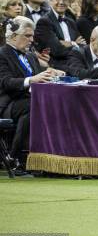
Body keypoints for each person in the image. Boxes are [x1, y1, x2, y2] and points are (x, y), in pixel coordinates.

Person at [0, 16, 64, 173]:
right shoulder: (2, 54)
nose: (32, 39)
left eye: (32, 35)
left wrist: (51, 74)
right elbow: (5, 82)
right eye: (27, 36)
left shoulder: (29, 56)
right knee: (33, 107)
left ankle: (52, 156)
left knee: (55, 104)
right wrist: (31, 80)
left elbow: (38, 78)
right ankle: (15, 157)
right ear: (13, 36)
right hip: (8, 102)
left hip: (30, 100)